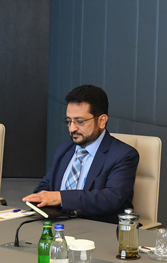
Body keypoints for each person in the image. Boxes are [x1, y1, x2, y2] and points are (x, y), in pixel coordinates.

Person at [23, 84, 139, 224]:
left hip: (98, 228)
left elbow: (110, 199)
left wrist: (61, 198)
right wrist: (38, 199)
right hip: (58, 225)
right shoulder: (65, 149)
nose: (72, 128)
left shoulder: (123, 155)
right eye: (69, 121)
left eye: (79, 121)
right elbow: (46, 185)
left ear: (101, 121)